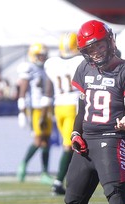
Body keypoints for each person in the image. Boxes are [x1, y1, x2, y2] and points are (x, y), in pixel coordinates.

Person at [64, 20, 125, 204]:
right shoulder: (84, 68)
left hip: (112, 139)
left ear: (110, 41)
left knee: (118, 202)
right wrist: (76, 132)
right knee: (73, 202)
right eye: (90, 48)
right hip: (86, 144)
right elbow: (83, 105)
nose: (96, 52)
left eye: (99, 45)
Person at [42, 32, 84, 195]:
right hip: (73, 105)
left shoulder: (51, 63)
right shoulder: (81, 61)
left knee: (72, 145)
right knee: (70, 145)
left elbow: (48, 88)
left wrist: (45, 112)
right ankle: (58, 182)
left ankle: (66, 180)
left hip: (58, 106)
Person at [16, 42, 53, 184]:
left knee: (46, 140)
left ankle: (45, 173)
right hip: (34, 108)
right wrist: (21, 111)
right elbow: (23, 89)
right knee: (38, 140)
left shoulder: (45, 68)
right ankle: (23, 164)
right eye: (39, 55)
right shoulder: (28, 67)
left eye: (44, 55)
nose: (42, 57)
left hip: (45, 107)